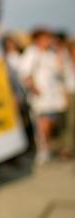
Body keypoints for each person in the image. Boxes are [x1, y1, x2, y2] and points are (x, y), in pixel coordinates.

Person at [19, 28, 70, 165]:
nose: (48, 41)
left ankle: (47, 146)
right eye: (45, 38)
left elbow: (61, 72)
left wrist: (59, 54)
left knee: (51, 123)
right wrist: (33, 87)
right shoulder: (32, 52)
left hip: (54, 95)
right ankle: (43, 150)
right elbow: (25, 72)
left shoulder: (52, 53)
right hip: (40, 95)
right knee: (42, 124)